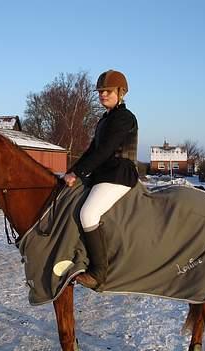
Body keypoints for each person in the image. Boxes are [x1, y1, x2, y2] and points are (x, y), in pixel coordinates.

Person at [64, 69, 138, 289]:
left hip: (118, 174)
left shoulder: (124, 117)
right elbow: (91, 150)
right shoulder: (105, 119)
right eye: (100, 92)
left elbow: (105, 150)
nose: (102, 95)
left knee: (88, 214)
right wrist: (71, 171)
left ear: (120, 92)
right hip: (104, 174)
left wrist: (78, 173)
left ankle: (99, 273)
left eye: (107, 91)